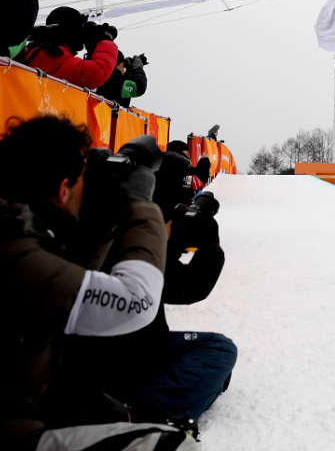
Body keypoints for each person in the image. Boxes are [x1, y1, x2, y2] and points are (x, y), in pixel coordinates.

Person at [0, 116, 192, 450]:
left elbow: (62, 286)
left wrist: (103, 224)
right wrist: (140, 205)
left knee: (108, 409)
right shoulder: (1, 249)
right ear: (62, 188)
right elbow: (135, 303)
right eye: (81, 182)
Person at [59, 152, 236, 428]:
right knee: (220, 351)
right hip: (124, 358)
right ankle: (143, 414)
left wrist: (171, 242)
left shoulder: (101, 226)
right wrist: (210, 244)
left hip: (113, 349)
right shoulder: (131, 237)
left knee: (215, 349)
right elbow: (189, 286)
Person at [24, 6, 119, 89]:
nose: (83, 33)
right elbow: (97, 73)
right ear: (69, 29)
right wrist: (104, 40)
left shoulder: (49, 51)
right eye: (80, 26)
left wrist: (92, 47)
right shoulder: (50, 54)